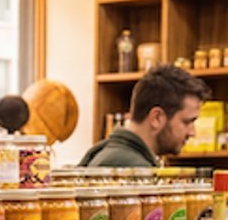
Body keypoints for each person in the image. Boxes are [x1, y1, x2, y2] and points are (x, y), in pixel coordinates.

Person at [81, 65, 210, 167]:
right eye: (187, 122)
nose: (193, 133)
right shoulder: (131, 170)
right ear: (156, 118)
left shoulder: (108, 153)